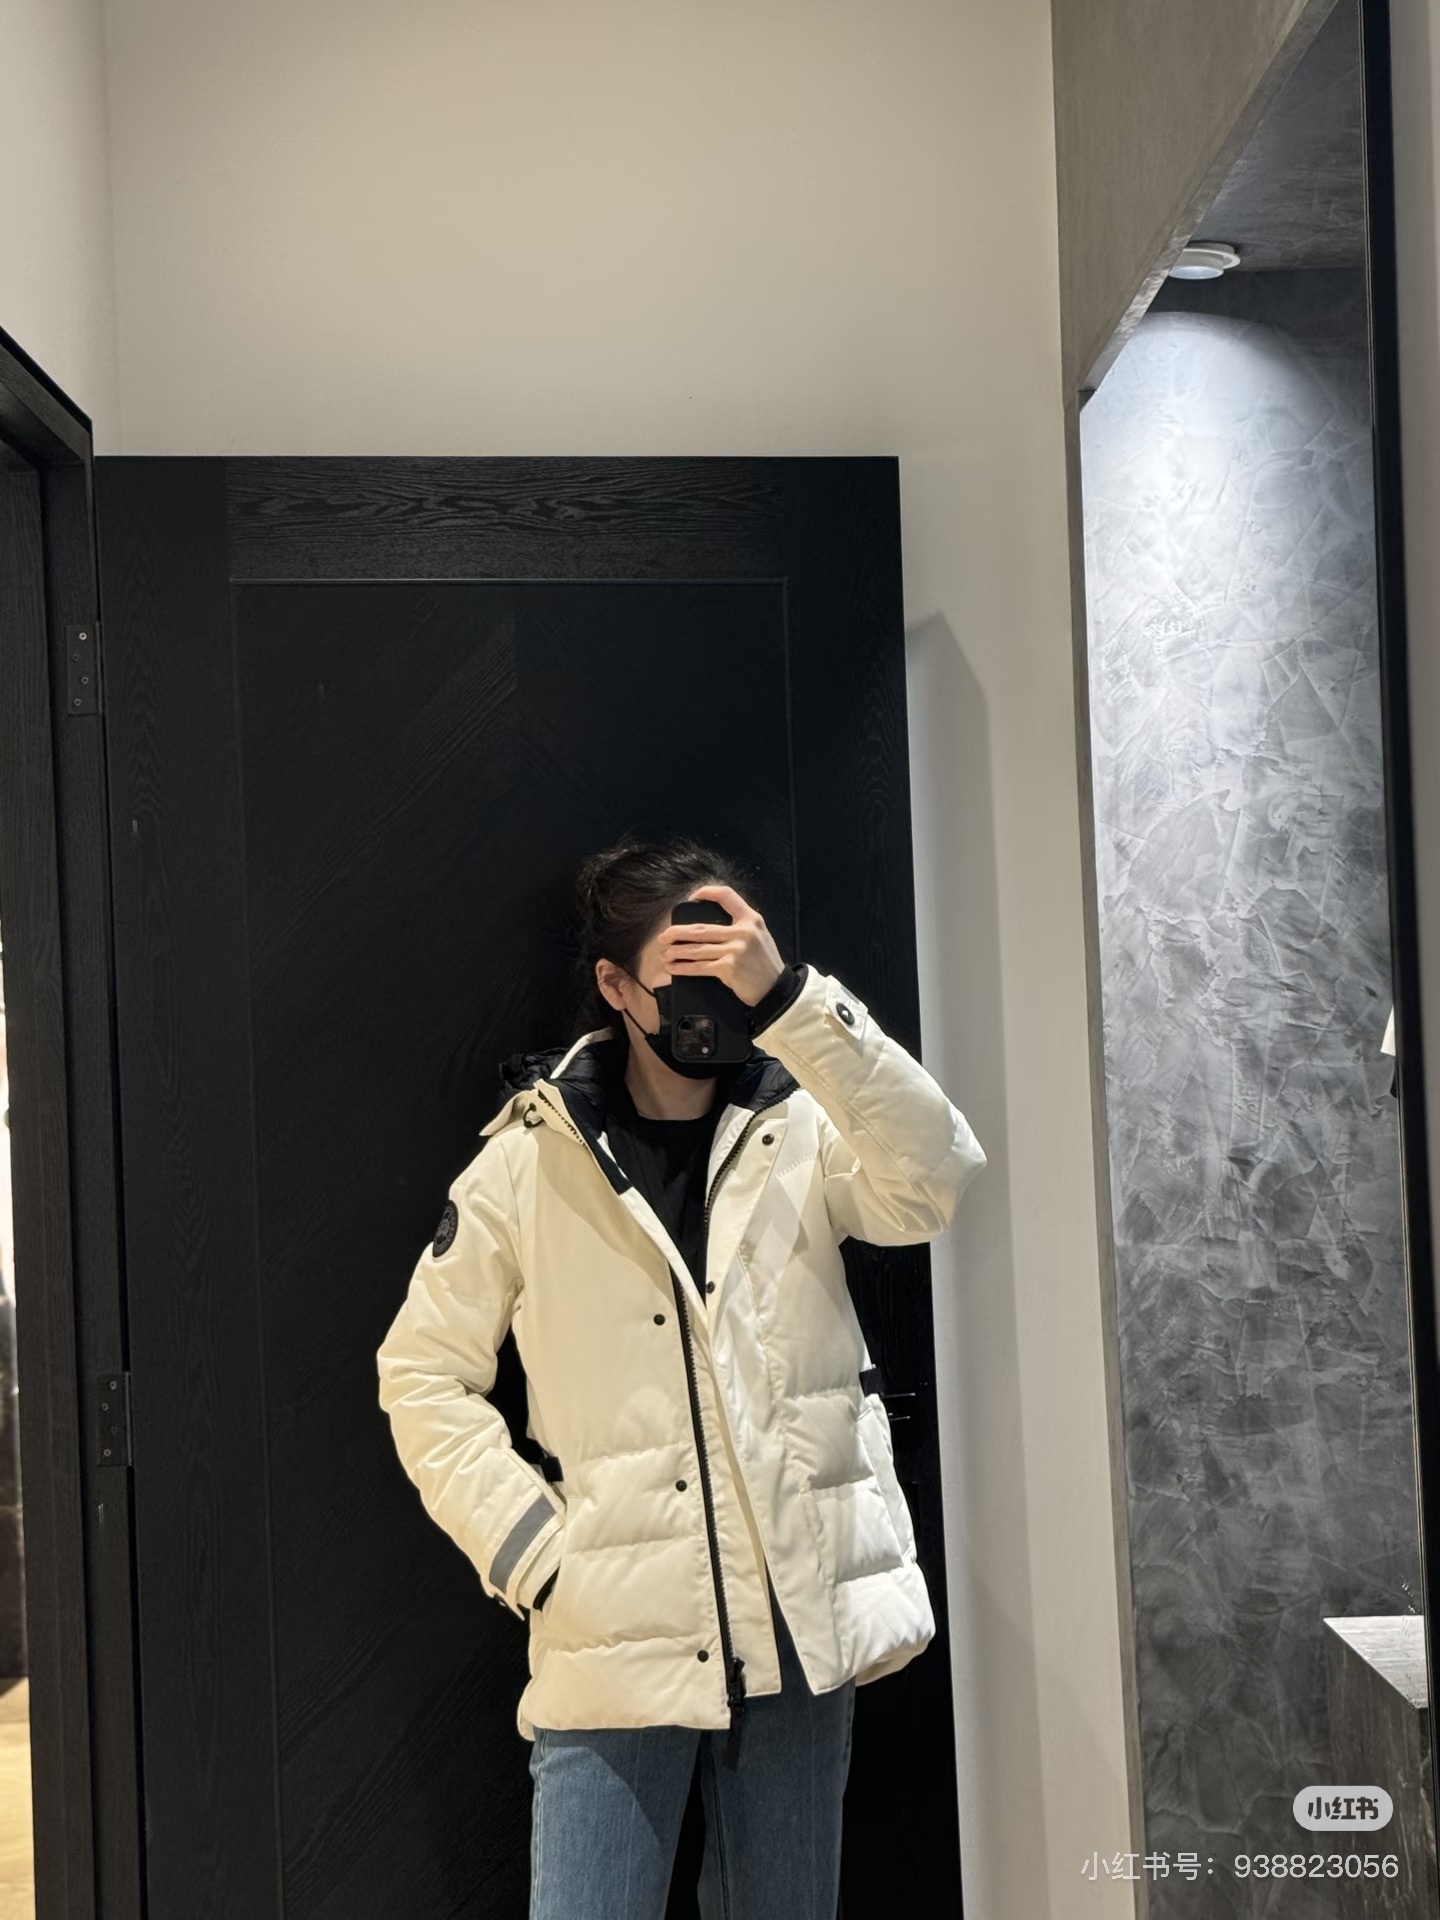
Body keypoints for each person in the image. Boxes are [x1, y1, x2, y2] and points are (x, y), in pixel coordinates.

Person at [375, 838, 986, 1920]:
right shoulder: (530, 1158)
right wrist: (536, 1554)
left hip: (796, 1621)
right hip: (614, 1627)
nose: (716, 1001)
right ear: (617, 986)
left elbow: (932, 1183)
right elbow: (423, 1371)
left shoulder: (803, 1124)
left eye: (733, 968)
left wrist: (794, 1001)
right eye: (686, 976)